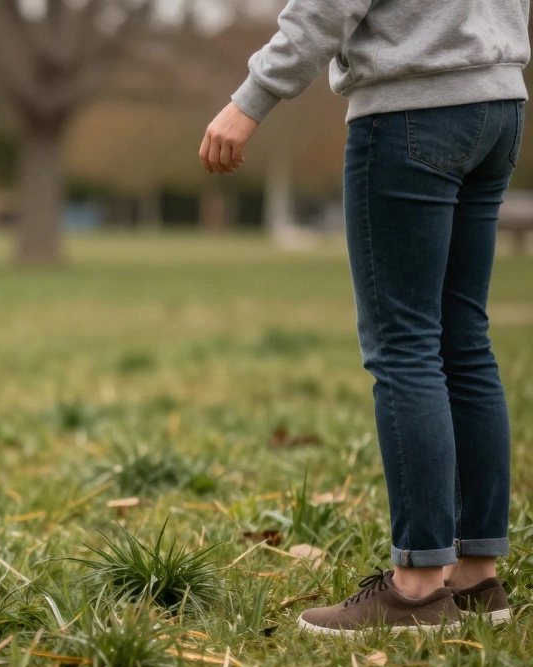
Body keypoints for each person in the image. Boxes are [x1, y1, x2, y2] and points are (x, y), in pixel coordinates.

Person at [200, 1, 528, 634]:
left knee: (406, 346)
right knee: (465, 341)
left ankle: (417, 588)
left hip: (412, 111)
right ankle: (478, 578)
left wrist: (250, 100)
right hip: (498, 104)